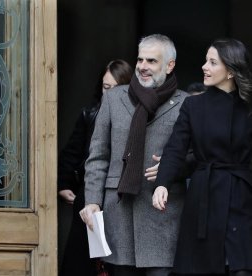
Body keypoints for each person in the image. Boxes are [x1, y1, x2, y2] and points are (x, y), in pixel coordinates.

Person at [152, 38, 252, 276]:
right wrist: (162, 183)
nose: (204, 66)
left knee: (244, 268)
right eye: (206, 60)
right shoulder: (193, 106)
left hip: (243, 200)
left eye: (213, 62)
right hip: (204, 198)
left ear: (231, 71)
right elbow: (175, 149)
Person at [80, 34, 189, 276]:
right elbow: (98, 155)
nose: (142, 67)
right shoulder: (113, 98)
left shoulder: (187, 104)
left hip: (163, 214)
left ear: (169, 65)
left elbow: (197, 156)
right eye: (140, 60)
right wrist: (92, 201)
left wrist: (172, 167)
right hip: (118, 212)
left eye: (152, 61)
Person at [59, 59, 133, 276]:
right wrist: (63, 183)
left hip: (121, 197)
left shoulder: (139, 116)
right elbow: (73, 151)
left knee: (116, 262)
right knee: (81, 260)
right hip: (89, 195)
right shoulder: (90, 113)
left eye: (116, 88)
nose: (109, 94)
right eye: (105, 87)